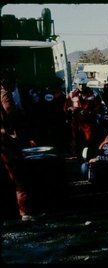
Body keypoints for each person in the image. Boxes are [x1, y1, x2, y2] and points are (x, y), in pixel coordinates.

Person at [0, 69, 34, 222]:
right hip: (6, 141)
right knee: (18, 178)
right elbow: (11, 113)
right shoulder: (4, 94)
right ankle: (24, 213)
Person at [64, 77, 102, 159]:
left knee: (89, 141)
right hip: (76, 122)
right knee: (77, 141)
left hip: (89, 122)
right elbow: (66, 108)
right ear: (77, 84)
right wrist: (71, 109)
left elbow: (99, 107)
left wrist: (90, 111)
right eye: (80, 84)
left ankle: (90, 158)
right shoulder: (71, 94)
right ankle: (78, 158)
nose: (81, 86)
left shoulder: (93, 94)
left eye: (83, 84)